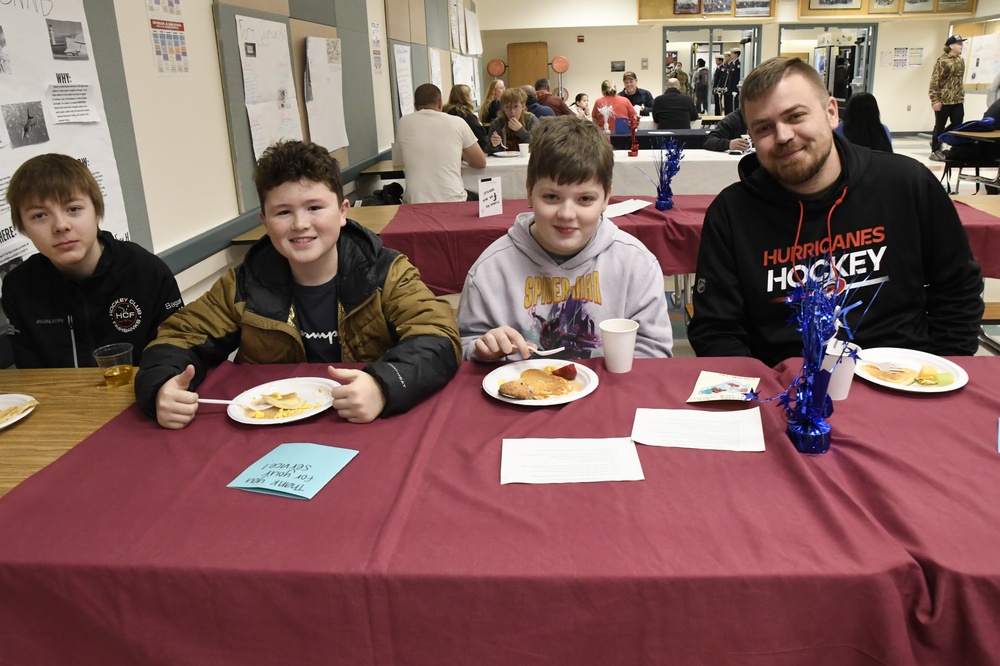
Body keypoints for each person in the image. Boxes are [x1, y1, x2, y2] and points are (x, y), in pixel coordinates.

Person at [135, 140, 461, 428]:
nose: (300, 224)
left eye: (315, 207)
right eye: (283, 212)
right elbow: (177, 337)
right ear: (264, 221)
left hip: (362, 423)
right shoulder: (244, 284)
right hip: (272, 431)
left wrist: (383, 386)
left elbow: (438, 338)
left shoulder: (385, 272)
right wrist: (162, 386)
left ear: (343, 211)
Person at [688, 57, 983, 367]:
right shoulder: (731, 213)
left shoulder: (907, 184)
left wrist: (942, 371)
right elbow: (717, 329)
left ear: (831, 112)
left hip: (904, 381)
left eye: (796, 116)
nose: (783, 135)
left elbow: (958, 289)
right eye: (764, 128)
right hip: (781, 392)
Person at [456, 115, 673, 362]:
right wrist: (482, 349)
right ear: (529, 192)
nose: (567, 214)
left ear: (606, 199)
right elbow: (464, 346)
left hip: (609, 397)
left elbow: (655, 351)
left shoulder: (637, 264)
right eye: (551, 197)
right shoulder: (489, 270)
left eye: (585, 199)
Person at [2, 154, 182, 369]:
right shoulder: (19, 286)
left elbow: (175, 351)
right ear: (23, 228)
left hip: (142, 395)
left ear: (97, 212)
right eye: (40, 216)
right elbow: (31, 375)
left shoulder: (147, 271)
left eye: (73, 209)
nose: (61, 225)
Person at [396, 83, 486, 203]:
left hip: (415, 201)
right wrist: (459, 154)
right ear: (440, 103)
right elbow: (480, 162)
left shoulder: (403, 123)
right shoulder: (457, 123)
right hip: (453, 199)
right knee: (484, 199)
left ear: (415, 105)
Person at [928, 34, 967, 161]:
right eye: (959, 44)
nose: (962, 46)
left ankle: (941, 139)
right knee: (939, 125)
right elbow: (935, 81)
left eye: (962, 44)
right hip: (943, 100)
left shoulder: (960, 60)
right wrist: (934, 100)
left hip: (957, 100)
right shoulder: (942, 61)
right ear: (951, 46)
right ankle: (935, 150)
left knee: (958, 124)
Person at [487, 87, 538, 154]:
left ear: (523, 106)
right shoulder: (497, 123)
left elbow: (537, 145)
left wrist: (520, 130)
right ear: (503, 108)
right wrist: (493, 145)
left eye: (515, 106)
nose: (512, 112)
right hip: (504, 162)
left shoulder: (531, 120)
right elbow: (487, 151)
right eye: (507, 107)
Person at [443, 83, 488, 150]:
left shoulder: (445, 111)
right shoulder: (465, 115)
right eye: (470, 95)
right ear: (466, 97)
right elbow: (481, 137)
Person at [723, 48, 742, 114]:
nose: (731, 55)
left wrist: (735, 89)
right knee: (729, 106)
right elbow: (729, 77)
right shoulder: (731, 64)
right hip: (729, 88)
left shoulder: (738, 64)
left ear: (736, 54)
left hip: (734, 89)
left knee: (733, 106)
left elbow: (736, 78)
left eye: (732, 53)